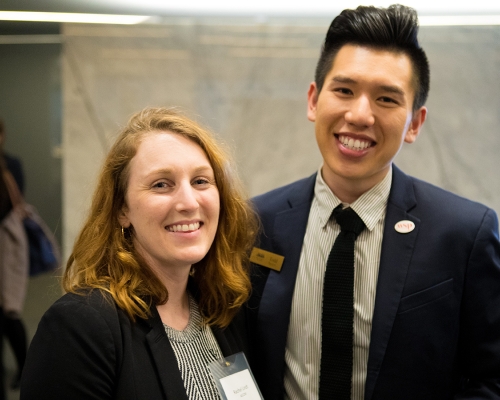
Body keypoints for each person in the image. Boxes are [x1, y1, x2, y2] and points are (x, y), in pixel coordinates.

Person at [248, 4, 500, 400]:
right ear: (314, 101)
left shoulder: (464, 234)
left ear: (414, 123)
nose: (360, 114)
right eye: (344, 90)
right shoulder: (254, 223)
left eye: (386, 99)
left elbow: (491, 379)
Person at [20, 107, 259, 400]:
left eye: (200, 181)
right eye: (161, 184)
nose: (189, 202)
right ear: (122, 210)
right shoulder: (80, 326)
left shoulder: (220, 309)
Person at [0, 118, 29, 394]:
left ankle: (25, 369)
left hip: (5, 250)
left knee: (9, 312)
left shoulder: (11, 166)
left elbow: (12, 206)